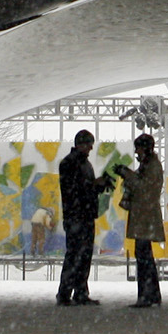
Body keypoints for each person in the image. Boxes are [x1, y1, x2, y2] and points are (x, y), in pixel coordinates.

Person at [108, 132, 166, 307]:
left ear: (146, 149)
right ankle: (151, 295)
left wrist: (127, 174)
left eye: (139, 149)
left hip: (145, 216)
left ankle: (147, 296)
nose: (137, 153)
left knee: (143, 256)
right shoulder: (149, 165)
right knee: (144, 255)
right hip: (143, 216)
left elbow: (144, 188)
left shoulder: (153, 166)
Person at [57, 129, 110, 305]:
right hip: (76, 216)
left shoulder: (85, 164)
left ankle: (80, 292)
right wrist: (94, 184)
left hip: (84, 216)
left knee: (84, 255)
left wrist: (98, 186)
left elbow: (84, 189)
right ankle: (65, 294)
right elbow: (73, 189)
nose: (90, 149)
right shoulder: (69, 163)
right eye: (88, 145)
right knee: (74, 255)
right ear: (80, 144)